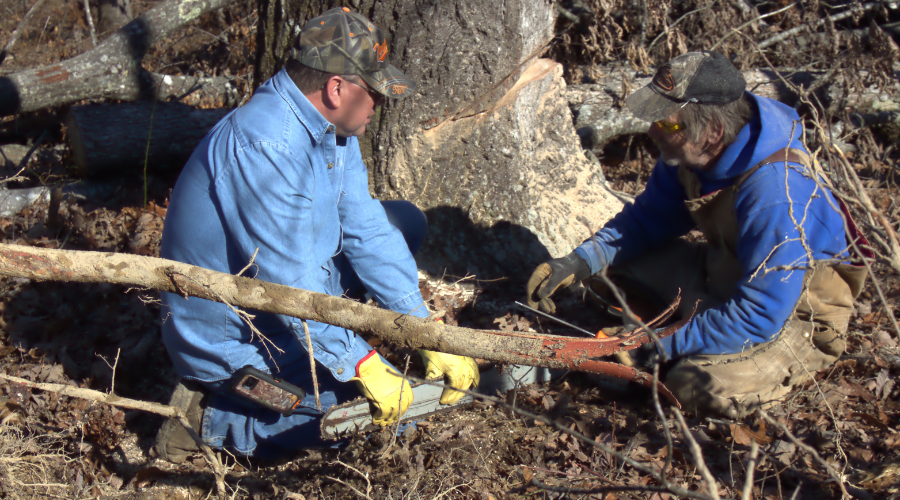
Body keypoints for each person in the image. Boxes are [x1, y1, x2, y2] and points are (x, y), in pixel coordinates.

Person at [153, 7, 479, 462]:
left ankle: (318, 371)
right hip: (239, 339)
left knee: (402, 222)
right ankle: (210, 416)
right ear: (335, 88)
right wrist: (361, 363)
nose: (379, 107)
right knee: (364, 416)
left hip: (281, 292)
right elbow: (291, 283)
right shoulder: (265, 146)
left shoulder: (331, 130)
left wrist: (423, 327)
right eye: (375, 96)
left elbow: (365, 226)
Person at [526, 51, 867, 418]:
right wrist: (577, 261)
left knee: (689, 386)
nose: (653, 131)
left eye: (667, 124)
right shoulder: (688, 151)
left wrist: (655, 345)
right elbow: (645, 221)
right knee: (605, 272)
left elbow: (759, 315)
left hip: (792, 316)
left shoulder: (776, 193)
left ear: (712, 132)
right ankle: (662, 335)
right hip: (724, 277)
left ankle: (670, 348)